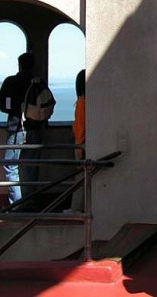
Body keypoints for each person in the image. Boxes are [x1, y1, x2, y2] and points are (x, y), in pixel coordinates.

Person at [0, 52, 47, 209]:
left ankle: (17, 204)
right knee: (31, 166)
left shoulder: (11, 82)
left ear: (19, 64)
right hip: (36, 128)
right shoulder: (40, 83)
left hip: (16, 128)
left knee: (11, 165)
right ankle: (30, 202)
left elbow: (2, 105)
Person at [70, 69, 86, 212]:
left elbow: (80, 128)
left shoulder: (82, 102)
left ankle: (76, 209)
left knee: (80, 179)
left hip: (81, 145)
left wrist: (79, 148)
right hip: (85, 144)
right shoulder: (90, 101)